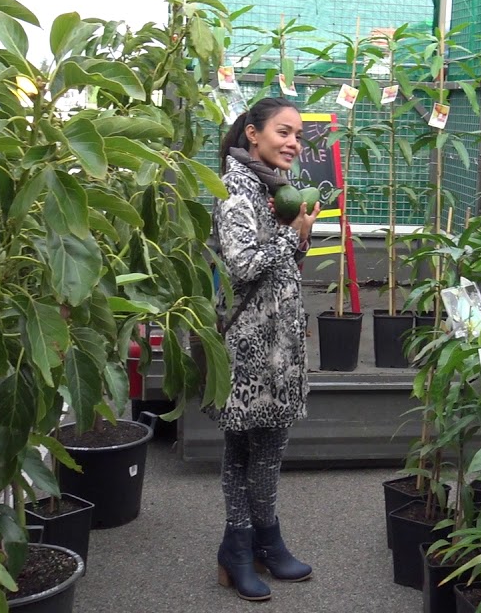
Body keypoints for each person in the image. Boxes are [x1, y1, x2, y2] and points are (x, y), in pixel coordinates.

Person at [209, 97, 320, 602]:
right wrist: (290, 235)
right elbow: (243, 265)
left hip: (273, 337)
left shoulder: (269, 187)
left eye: (297, 134)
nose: (293, 142)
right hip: (253, 343)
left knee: (251, 446)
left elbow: (278, 264)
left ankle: (252, 544)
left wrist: (298, 237)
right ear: (252, 134)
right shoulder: (237, 189)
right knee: (260, 447)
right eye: (283, 131)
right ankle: (250, 542)